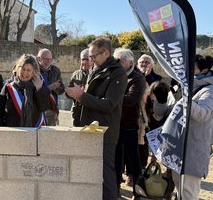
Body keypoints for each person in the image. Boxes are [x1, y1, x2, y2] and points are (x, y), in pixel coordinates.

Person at [65, 38, 128, 200]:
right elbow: (91, 96)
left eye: (94, 56)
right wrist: (79, 95)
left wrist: (82, 96)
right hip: (88, 128)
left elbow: (109, 104)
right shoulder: (95, 68)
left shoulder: (117, 72)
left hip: (105, 132)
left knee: (106, 174)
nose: (90, 59)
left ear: (106, 53)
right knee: (88, 170)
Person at [168, 54, 213, 200]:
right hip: (178, 149)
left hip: (194, 151)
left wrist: (186, 98)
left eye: (192, 68)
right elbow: (170, 113)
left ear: (204, 70)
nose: (187, 70)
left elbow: (203, 114)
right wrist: (160, 100)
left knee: (188, 194)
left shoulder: (209, 90)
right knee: (180, 191)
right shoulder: (186, 86)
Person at [113, 48, 146, 199]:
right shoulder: (113, 75)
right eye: (115, 60)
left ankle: (137, 192)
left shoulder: (138, 78)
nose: (117, 63)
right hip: (114, 123)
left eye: (120, 60)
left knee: (133, 160)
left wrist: (111, 97)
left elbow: (131, 99)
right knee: (116, 158)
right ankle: (115, 189)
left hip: (129, 124)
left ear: (130, 62)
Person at [0, 54, 49, 127]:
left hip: (33, 131)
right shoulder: (8, 87)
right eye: (23, 69)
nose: (25, 73)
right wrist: (3, 127)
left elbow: (44, 107)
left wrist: (39, 89)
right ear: (18, 69)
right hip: (12, 131)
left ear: (33, 72)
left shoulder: (39, 85)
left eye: (28, 70)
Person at [136, 54, 163, 171]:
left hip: (152, 114)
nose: (144, 64)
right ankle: (141, 166)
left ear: (152, 64)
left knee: (153, 140)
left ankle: (153, 164)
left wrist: (146, 77)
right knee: (141, 142)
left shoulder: (158, 78)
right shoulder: (135, 76)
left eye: (147, 62)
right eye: (142, 62)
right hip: (138, 114)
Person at [37, 48, 64, 126]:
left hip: (51, 109)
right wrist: (50, 87)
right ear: (39, 58)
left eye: (50, 59)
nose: (48, 61)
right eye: (45, 59)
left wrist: (56, 88)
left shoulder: (56, 70)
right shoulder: (33, 70)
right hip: (38, 109)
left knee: (50, 136)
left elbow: (62, 90)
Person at [67, 48, 92, 126]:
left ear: (92, 60)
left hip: (89, 112)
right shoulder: (75, 74)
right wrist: (70, 93)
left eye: (87, 59)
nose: (84, 62)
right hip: (76, 111)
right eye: (82, 59)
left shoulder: (95, 74)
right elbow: (68, 92)